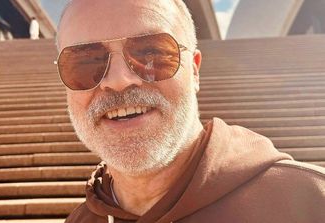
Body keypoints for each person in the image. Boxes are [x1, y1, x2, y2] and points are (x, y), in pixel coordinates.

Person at [55, 0, 325, 222]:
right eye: (84, 63)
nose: (119, 80)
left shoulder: (308, 202)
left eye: (151, 54)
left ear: (194, 70)